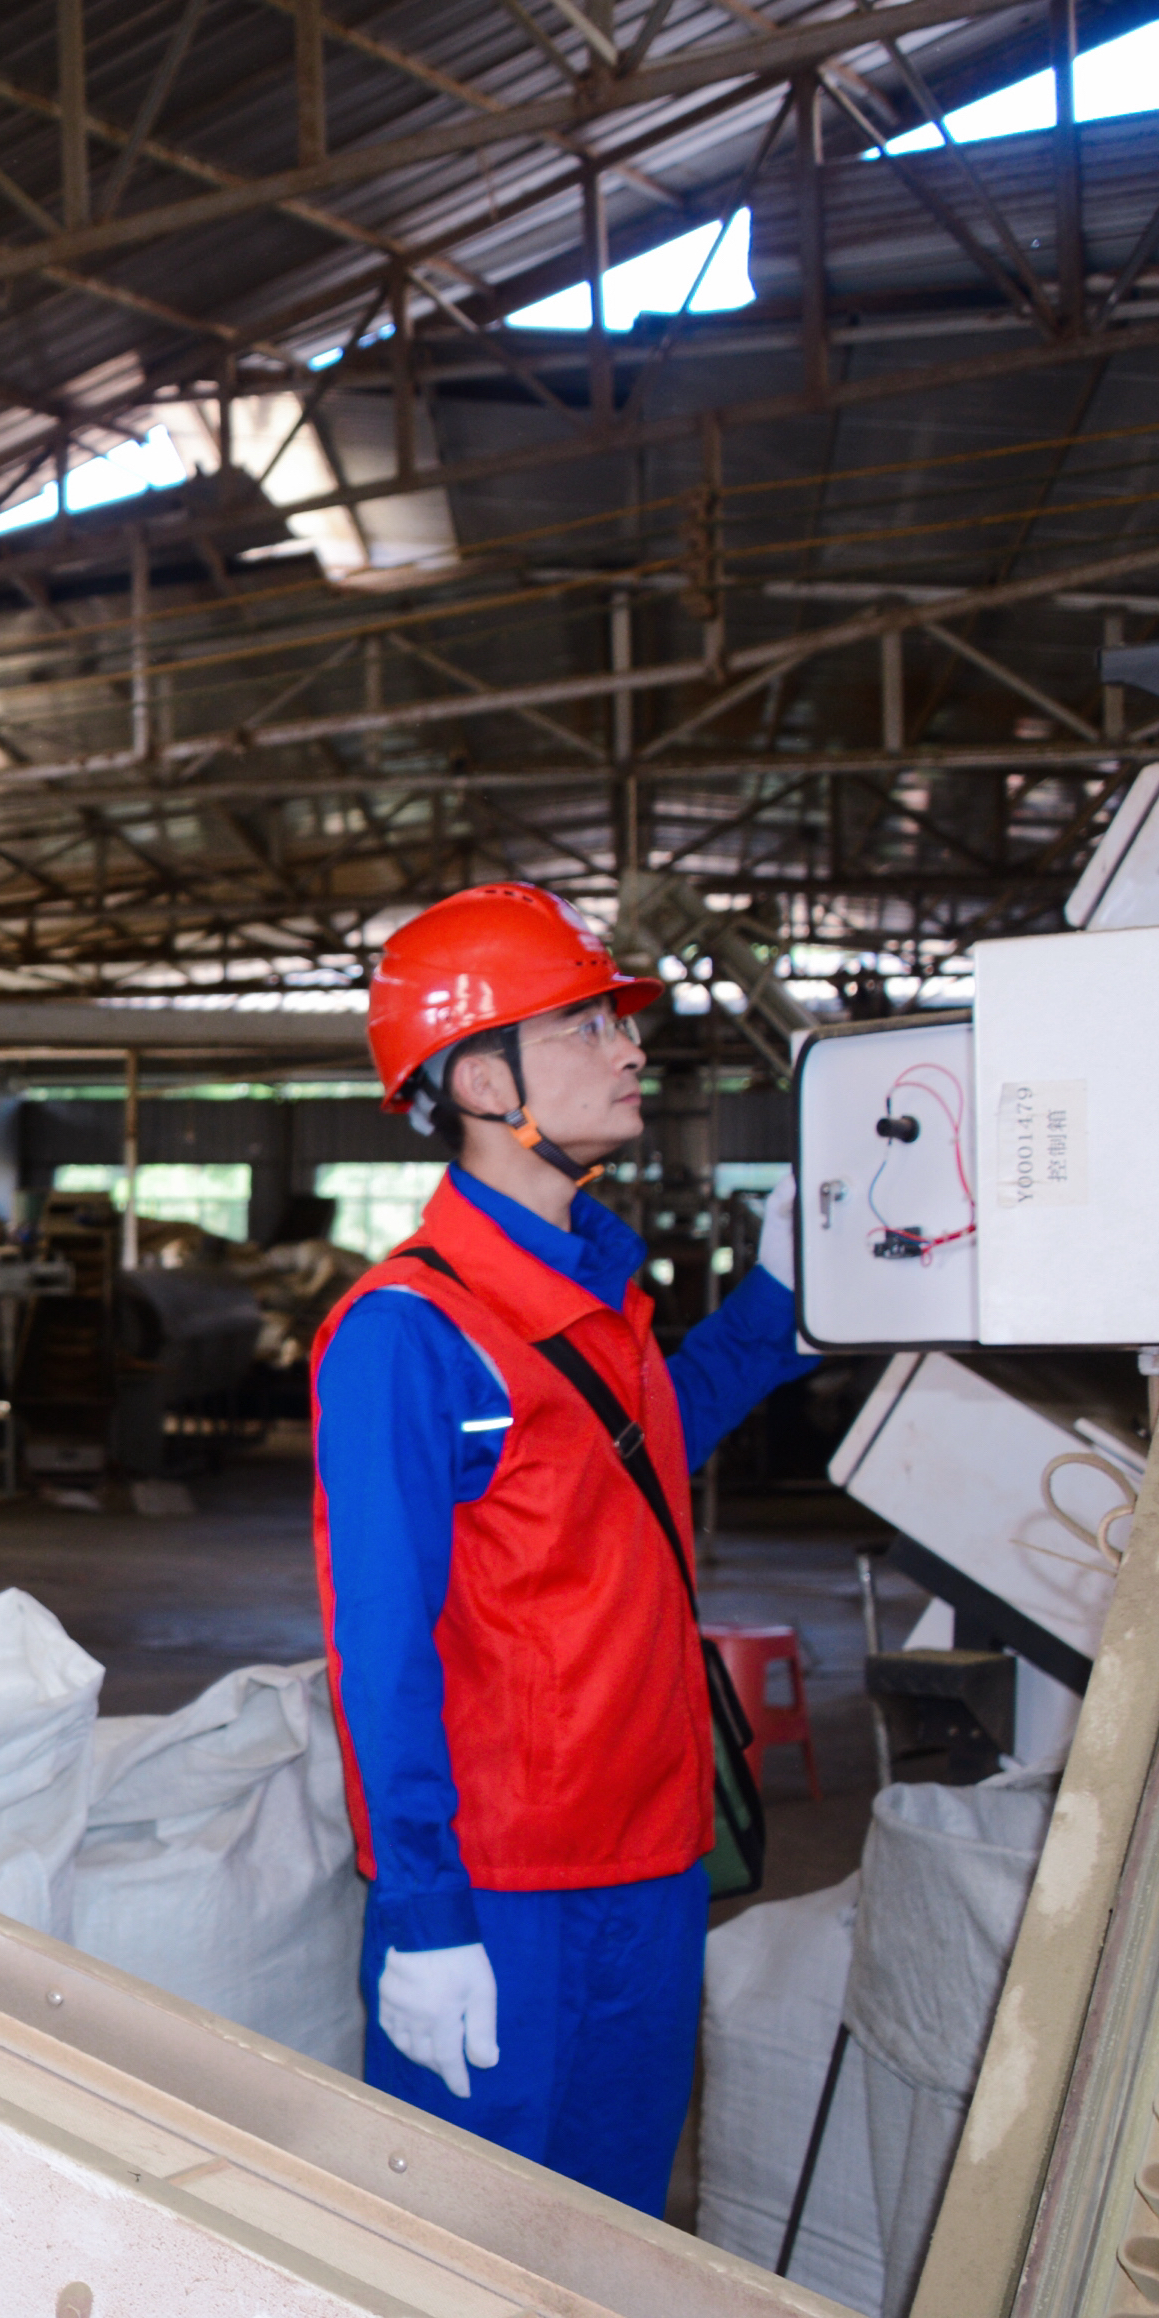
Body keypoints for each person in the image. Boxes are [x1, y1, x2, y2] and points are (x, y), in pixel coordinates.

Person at [309, 883, 810, 2212]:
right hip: (504, 1895)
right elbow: (381, 1644)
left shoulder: (596, 1297)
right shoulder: (407, 1332)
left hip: (651, 1861)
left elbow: (647, 1439)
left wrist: (788, 1299)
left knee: (618, 2242)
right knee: (464, 2264)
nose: (630, 1048)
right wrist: (421, 1911)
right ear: (483, 1076)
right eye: (586, 1025)